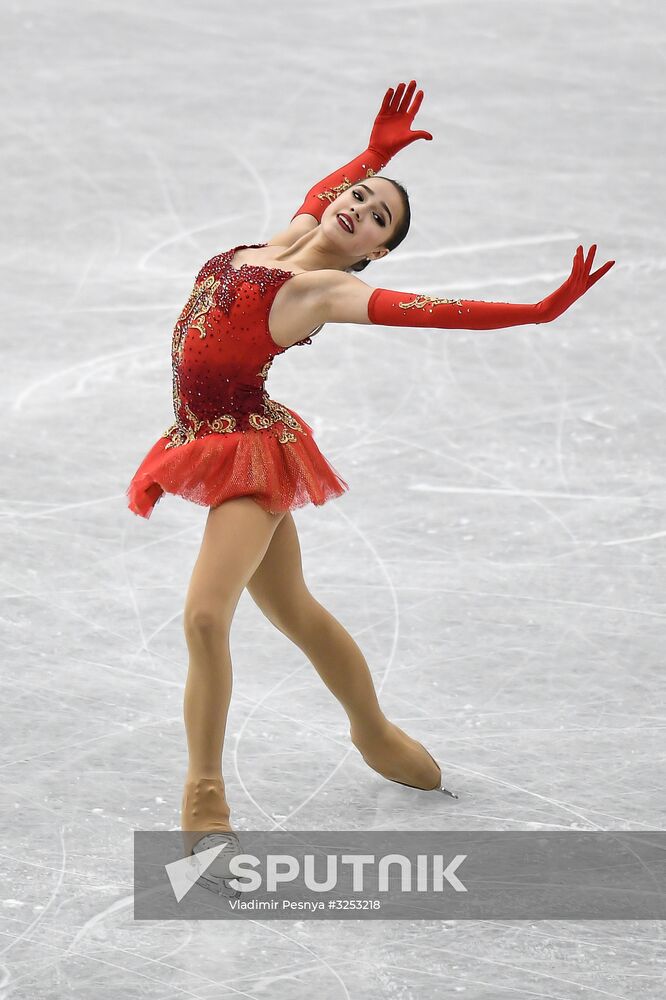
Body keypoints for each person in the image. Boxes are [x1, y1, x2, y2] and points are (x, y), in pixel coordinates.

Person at [125, 81, 615, 895]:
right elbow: (328, 189)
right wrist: (378, 154)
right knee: (298, 613)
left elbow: (437, 311)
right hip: (203, 437)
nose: (357, 206)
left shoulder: (328, 289)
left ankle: (204, 797)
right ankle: (375, 731)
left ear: (374, 254)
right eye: (358, 197)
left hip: (250, 453)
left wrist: (535, 310)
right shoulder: (284, 237)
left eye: (377, 216)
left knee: (207, 616)